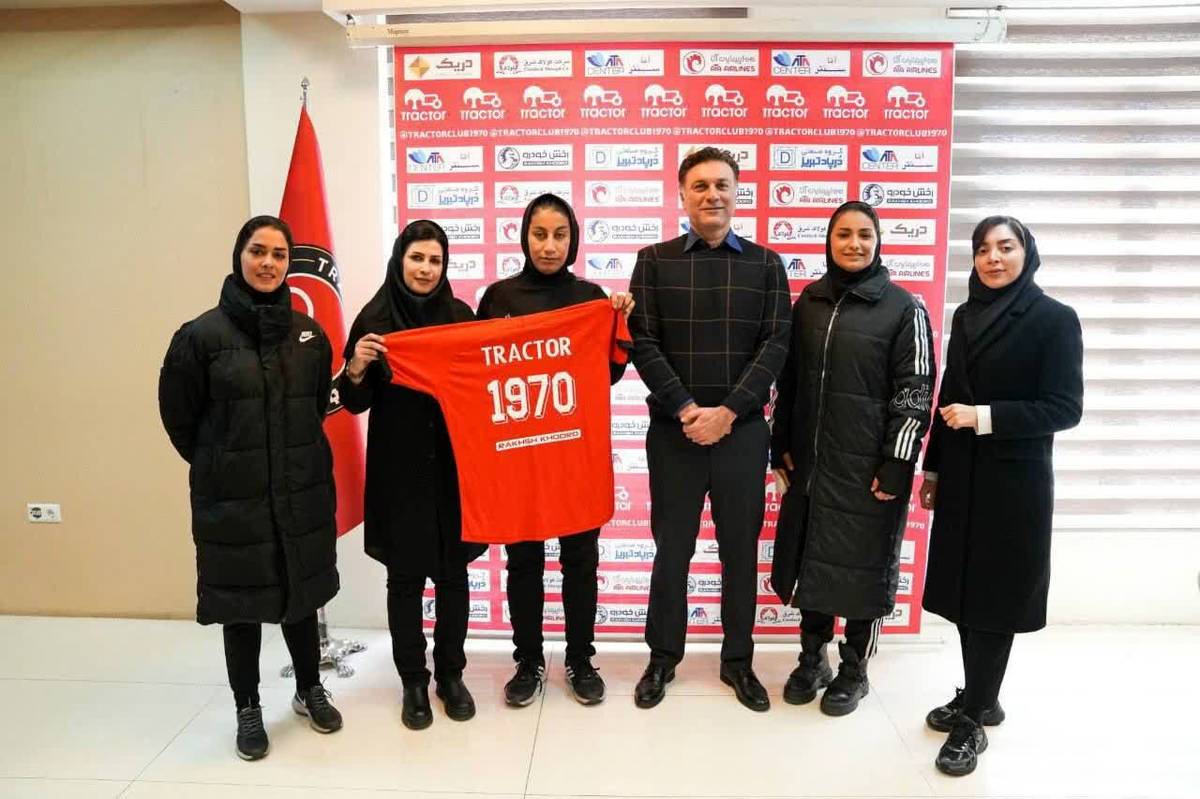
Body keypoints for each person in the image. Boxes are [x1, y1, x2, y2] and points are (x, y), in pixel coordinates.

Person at [158, 215, 343, 762]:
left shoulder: (309, 336)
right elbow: (179, 418)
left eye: (279, 255)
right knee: (240, 606)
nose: (268, 263)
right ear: (239, 256)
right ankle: (248, 706)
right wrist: (221, 465)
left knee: (300, 596)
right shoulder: (200, 337)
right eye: (258, 251)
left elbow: (313, 408)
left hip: (299, 490)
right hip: (234, 501)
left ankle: (309, 689)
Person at [629, 147, 791, 712]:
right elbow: (643, 342)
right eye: (699, 186)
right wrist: (686, 409)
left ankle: (738, 662)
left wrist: (727, 412)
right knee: (671, 551)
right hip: (674, 434)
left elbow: (776, 344)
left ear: (737, 192)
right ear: (682, 195)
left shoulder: (767, 265)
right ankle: (662, 658)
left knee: (739, 552)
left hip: (742, 434)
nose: (712, 195)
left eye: (722, 184)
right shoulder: (653, 261)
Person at [919, 216, 1083, 776]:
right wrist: (933, 468)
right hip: (963, 477)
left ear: (1026, 253)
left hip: (1015, 486)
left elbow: (1065, 408)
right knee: (965, 593)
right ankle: (981, 697)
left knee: (995, 599)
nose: (993, 258)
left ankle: (973, 719)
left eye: (1005, 247)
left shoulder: (1055, 319)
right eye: (983, 249)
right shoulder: (966, 316)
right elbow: (949, 394)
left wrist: (985, 417)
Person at [769, 200, 936, 717]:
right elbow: (789, 380)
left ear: (878, 241)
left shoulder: (904, 309)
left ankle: (854, 669)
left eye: (865, 234)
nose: (854, 244)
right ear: (829, 240)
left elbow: (915, 391)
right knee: (811, 561)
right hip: (812, 466)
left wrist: (898, 461)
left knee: (865, 570)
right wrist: (780, 441)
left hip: (869, 471)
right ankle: (812, 659)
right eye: (844, 234)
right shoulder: (809, 302)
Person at [476, 193, 634, 707]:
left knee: (579, 560)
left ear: (573, 239)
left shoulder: (591, 299)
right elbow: (479, 375)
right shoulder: (497, 297)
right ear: (524, 236)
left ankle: (580, 659)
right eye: (539, 234)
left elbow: (606, 376)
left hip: (573, 454)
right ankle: (527, 661)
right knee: (523, 561)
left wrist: (617, 319)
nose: (549, 245)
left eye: (559, 235)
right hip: (518, 453)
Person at [339, 220, 485, 731]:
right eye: (417, 258)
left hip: (452, 468)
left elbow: (482, 388)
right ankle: (413, 681)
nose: (426, 269)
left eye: (435, 260)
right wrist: (356, 366)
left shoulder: (460, 318)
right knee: (404, 579)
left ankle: (451, 675)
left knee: (453, 576)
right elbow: (354, 402)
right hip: (398, 471)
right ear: (400, 260)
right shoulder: (375, 320)